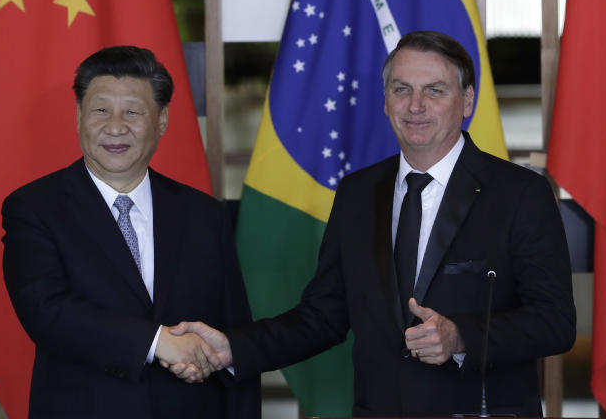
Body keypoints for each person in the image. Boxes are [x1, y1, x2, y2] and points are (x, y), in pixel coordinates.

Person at [172, 31, 576, 417]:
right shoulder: (357, 193)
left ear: (467, 101)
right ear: (385, 101)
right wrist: (232, 347)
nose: (415, 105)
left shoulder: (520, 193)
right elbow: (323, 316)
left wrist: (460, 337)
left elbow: (554, 323)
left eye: (434, 90)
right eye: (401, 89)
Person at [2, 45, 260, 419]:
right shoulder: (35, 208)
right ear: (78, 116)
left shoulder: (205, 215)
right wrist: (159, 344)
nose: (115, 126)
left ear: (162, 120)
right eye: (101, 109)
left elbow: (234, 339)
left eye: (133, 112)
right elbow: (48, 312)